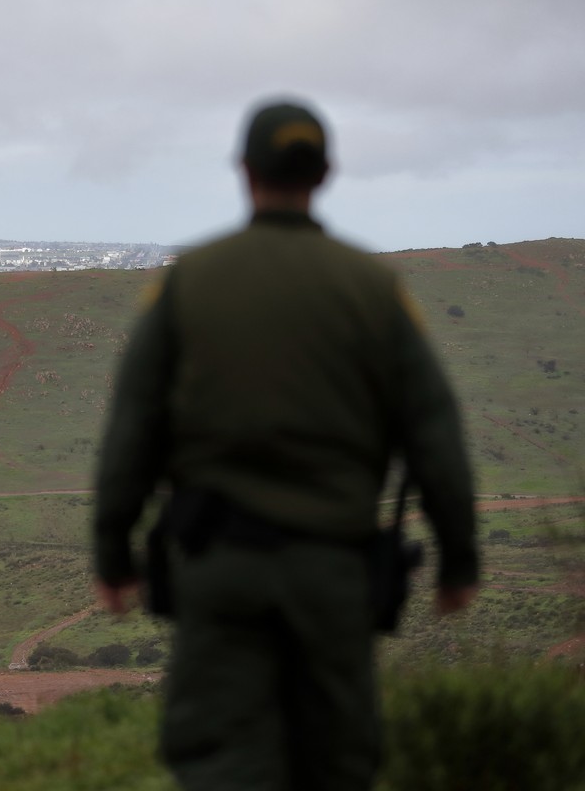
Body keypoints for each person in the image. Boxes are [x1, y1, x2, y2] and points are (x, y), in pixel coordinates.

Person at [92, 99, 479, 791]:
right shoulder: (373, 288)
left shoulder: (189, 281)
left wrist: (113, 554)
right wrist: (459, 560)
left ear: (244, 171)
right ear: (325, 173)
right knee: (335, 760)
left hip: (221, 566)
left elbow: (133, 430)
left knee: (223, 758)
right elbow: (434, 431)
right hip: (333, 572)